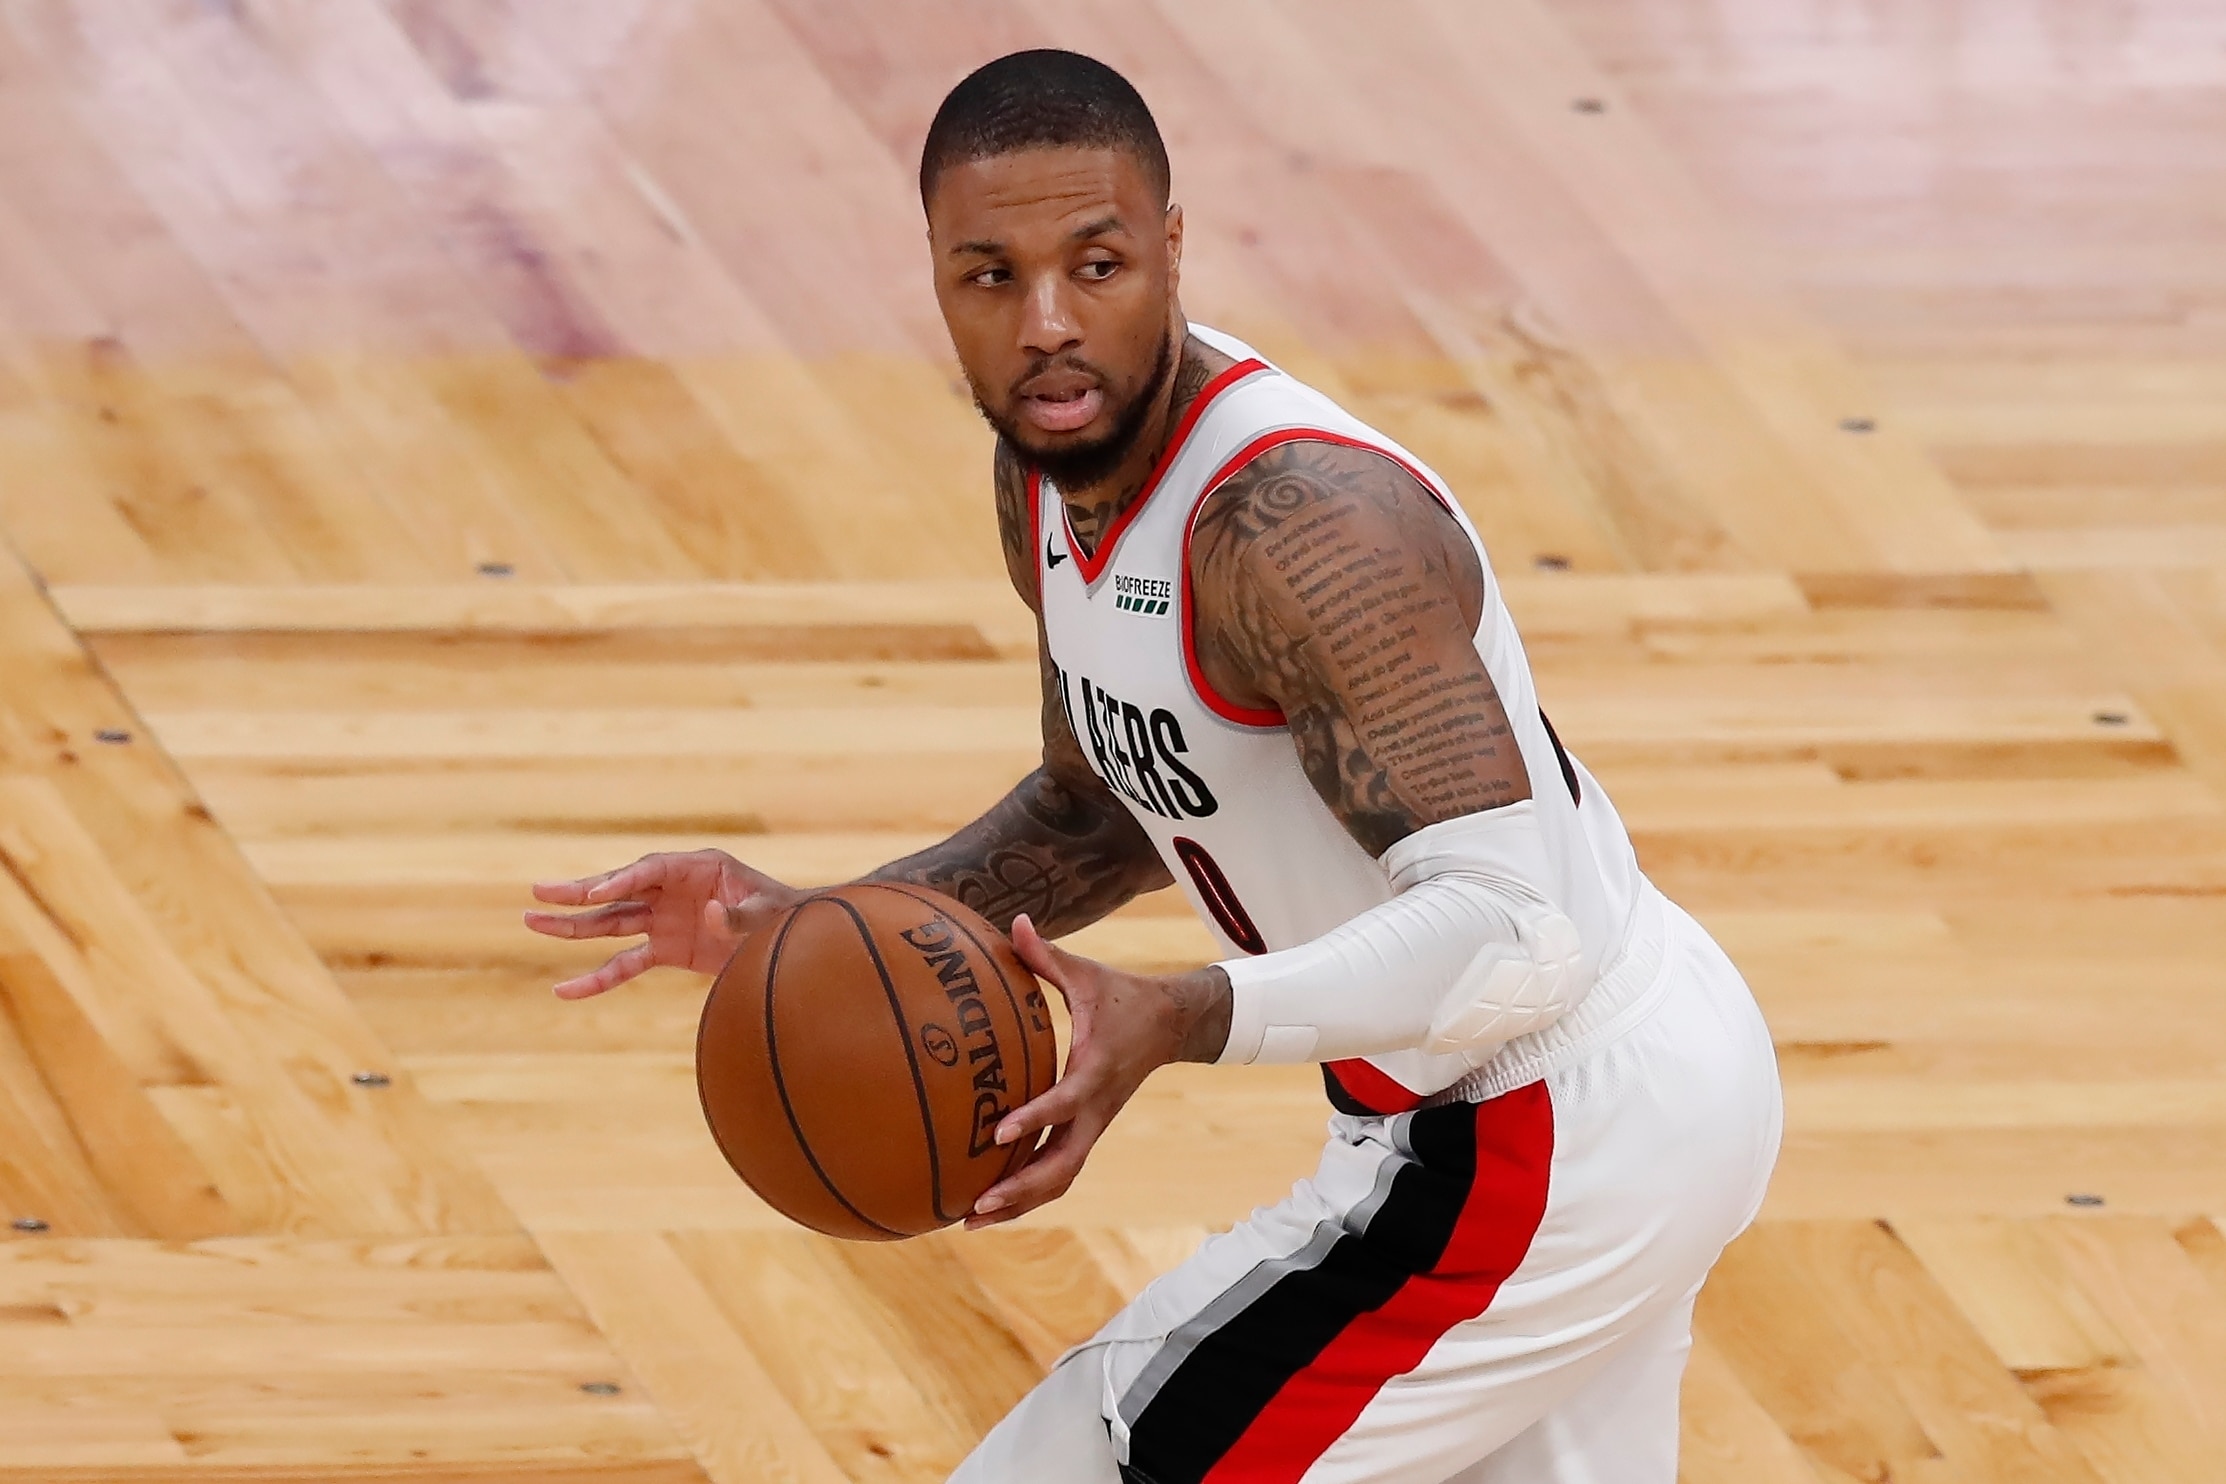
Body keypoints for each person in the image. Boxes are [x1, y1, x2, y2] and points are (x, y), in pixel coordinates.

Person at [525, 48, 1782, 1484]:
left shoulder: (1304, 526)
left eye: (1097, 264)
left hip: (1550, 1123)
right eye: (989, 278)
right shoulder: (1051, 474)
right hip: (1523, 1108)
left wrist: (1177, 1016)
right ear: (937, 280)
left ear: (1171, 250)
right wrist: (810, 926)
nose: (1046, 326)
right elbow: (1103, 799)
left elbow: (1519, 932)